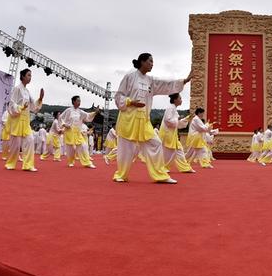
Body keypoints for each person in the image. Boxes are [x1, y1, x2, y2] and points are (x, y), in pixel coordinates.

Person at [113, 53, 191, 183]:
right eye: (150, 61)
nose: (152, 64)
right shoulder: (129, 76)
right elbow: (118, 96)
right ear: (142, 62)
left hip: (144, 120)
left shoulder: (150, 80)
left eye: (152, 61)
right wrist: (131, 102)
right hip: (129, 120)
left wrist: (184, 81)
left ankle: (160, 175)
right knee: (126, 150)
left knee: (156, 143)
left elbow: (165, 84)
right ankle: (121, 175)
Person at [5, 69, 44, 171]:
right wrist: (21, 108)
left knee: (30, 140)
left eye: (31, 75)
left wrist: (40, 98)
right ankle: (10, 163)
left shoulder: (27, 92)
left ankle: (28, 165)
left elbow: (33, 107)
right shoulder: (17, 89)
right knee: (16, 145)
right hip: (17, 119)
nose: (30, 77)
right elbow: (11, 104)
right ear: (22, 76)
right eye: (28, 75)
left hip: (26, 121)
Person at [60, 96, 100, 168]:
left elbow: (88, 115)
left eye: (80, 101)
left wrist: (95, 113)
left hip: (78, 131)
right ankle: (70, 161)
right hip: (69, 131)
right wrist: (64, 124)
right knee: (70, 148)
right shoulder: (68, 110)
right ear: (74, 102)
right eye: (78, 100)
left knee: (84, 146)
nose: (79, 102)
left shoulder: (80, 111)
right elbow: (61, 117)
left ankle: (87, 162)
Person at [159, 93, 194, 173]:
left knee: (179, 151)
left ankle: (185, 168)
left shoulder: (173, 108)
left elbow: (176, 123)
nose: (181, 100)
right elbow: (168, 121)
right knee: (169, 153)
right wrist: (178, 120)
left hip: (172, 135)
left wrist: (186, 119)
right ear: (175, 100)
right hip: (168, 134)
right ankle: (164, 168)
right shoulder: (170, 108)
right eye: (180, 98)